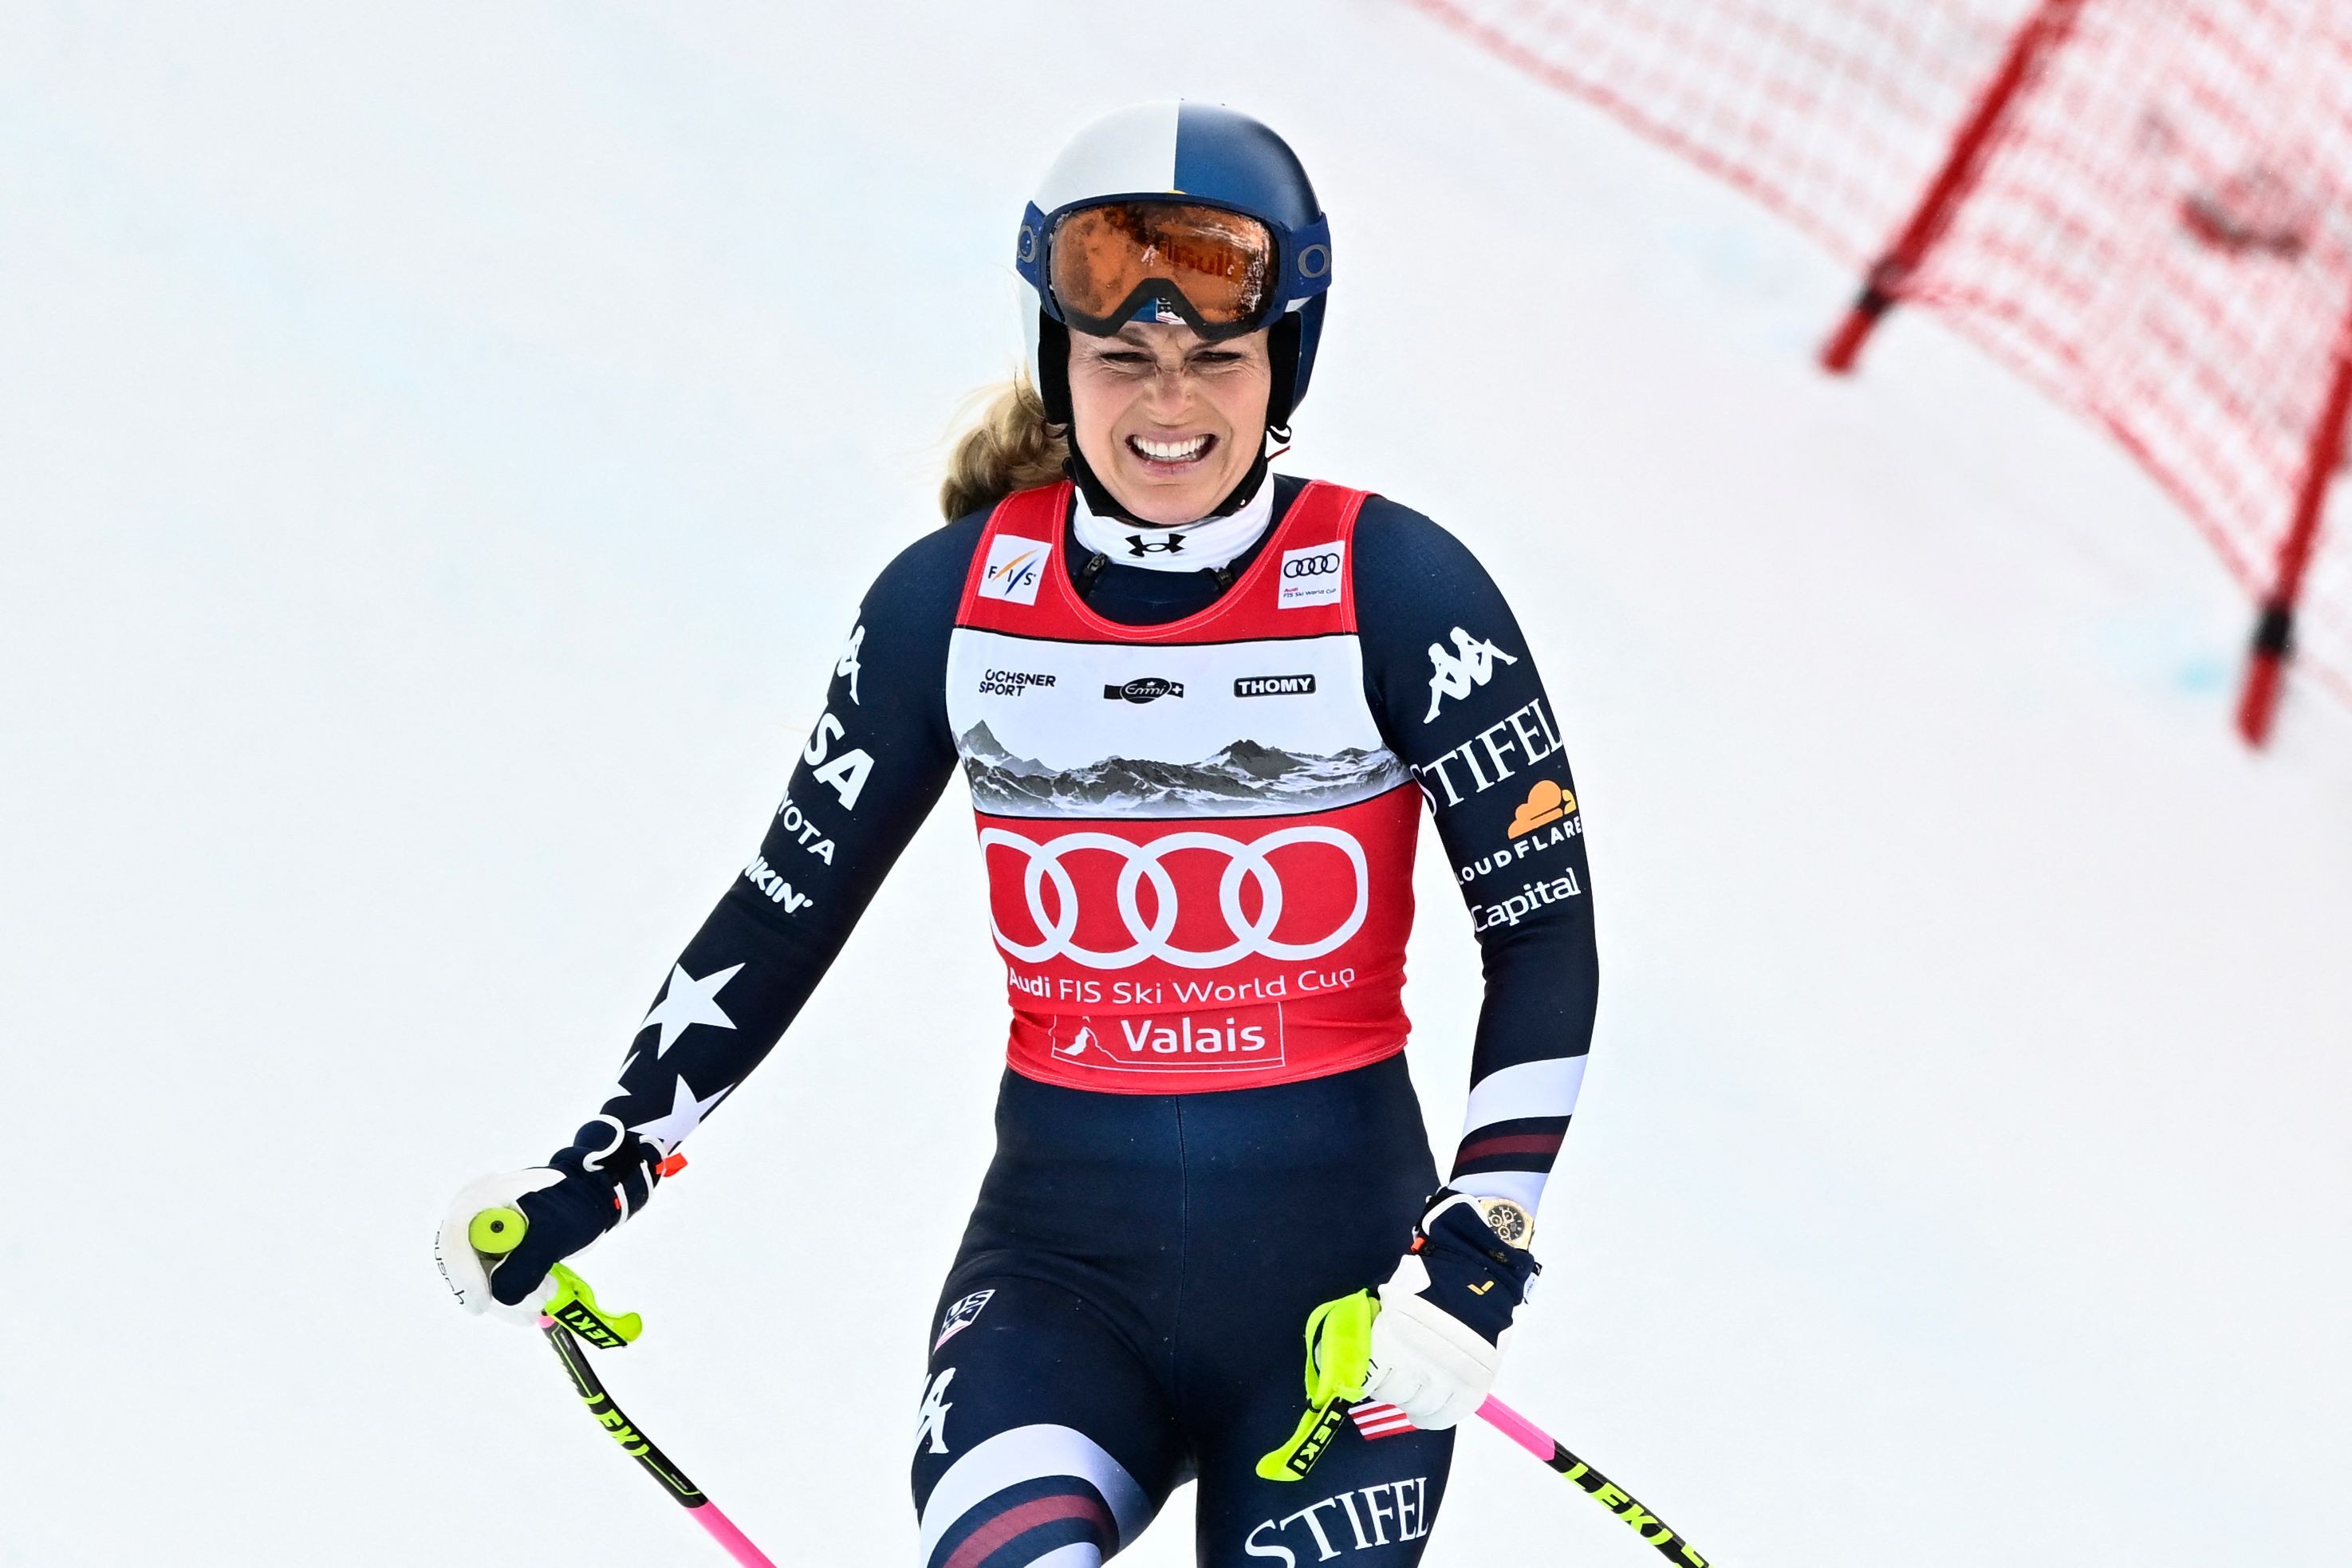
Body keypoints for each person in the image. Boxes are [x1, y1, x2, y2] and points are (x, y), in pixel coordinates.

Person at [438, 101, 1599, 1566]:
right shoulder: (947, 604)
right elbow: (784, 912)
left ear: (1282, 364)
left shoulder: (1399, 587)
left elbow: (1543, 935)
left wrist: (1479, 1244)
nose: (1167, 400)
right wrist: (601, 1162)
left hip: (1346, 1300)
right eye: (1120, 355)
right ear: (1060, 360)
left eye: (1216, 358)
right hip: (1057, 1289)